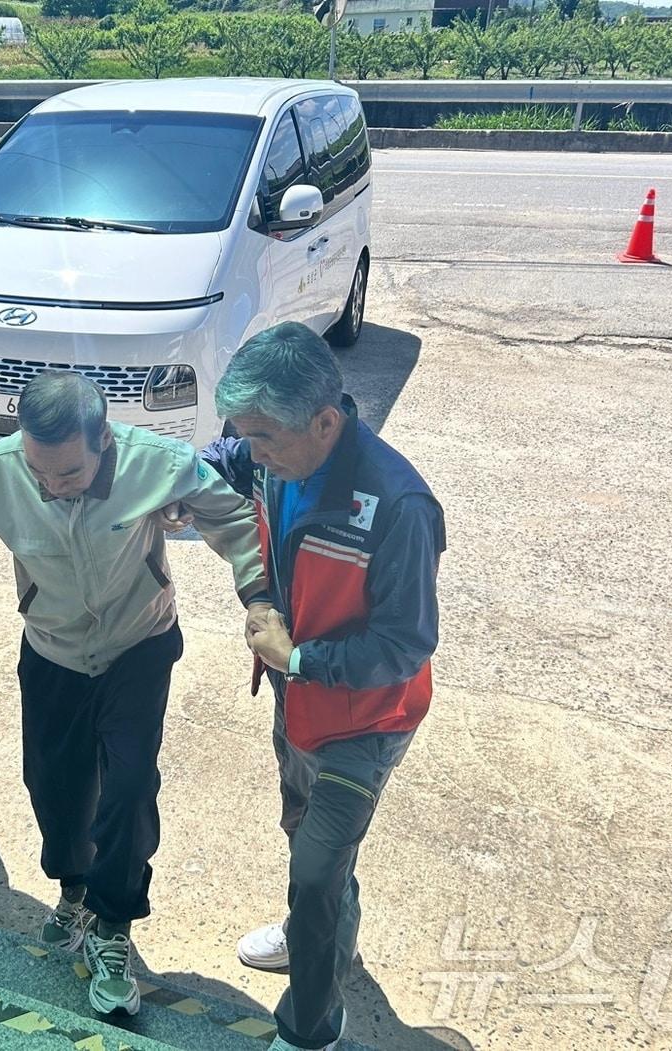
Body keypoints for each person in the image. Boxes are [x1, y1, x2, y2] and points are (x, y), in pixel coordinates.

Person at [0, 371, 268, 1019]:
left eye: (70, 473)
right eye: (41, 471)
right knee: (52, 784)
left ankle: (114, 923)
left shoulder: (157, 464)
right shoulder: (5, 470)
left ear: (104, 440)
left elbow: (235, 522)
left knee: (130, 783)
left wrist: (260, 600)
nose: (53, 486)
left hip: (137, 645)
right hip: (53, 649)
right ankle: (75, 888)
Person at [202, 322, 445, 1051]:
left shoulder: (400, 506)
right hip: (297, 701)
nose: (254, 453)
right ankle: (320, 929)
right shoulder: (276, 455)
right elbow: (220, 461)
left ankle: (311, 1030)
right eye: (246, 435)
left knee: (315, 872)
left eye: (265, 438)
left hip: (367, 719)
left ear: (327, 421)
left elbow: (406, 645)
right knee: (307, 840)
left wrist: (300, 658)